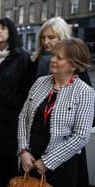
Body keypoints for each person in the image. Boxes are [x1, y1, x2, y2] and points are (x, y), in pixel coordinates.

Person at [18, 38, 95, 187]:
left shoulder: (84, 92)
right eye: (53, 55)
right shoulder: (40, 82)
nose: (52, 60)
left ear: (74, 65)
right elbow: (23, 117)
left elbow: (81, 136)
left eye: (59, 58)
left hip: (61, 166)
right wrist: (23, 151)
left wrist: (48, 161)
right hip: (30, 160)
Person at [0, 17, 34, 187]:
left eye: (3, 28)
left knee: (10, 169)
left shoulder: (21, 57)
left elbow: (27, 88)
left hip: (11, 121)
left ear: (11, 32)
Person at [33, 17, 91, 85]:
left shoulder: (74, 59)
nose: (46, 42)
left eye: (51, 37)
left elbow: (86, 89)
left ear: (62, 37)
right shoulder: (36, 59)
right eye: (43, 37)